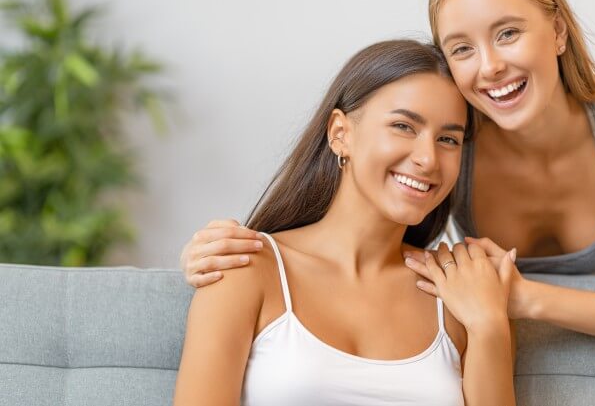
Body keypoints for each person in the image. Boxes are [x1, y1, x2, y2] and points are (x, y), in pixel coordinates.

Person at [180, 0, 595, 347]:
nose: (490, 67)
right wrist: (233, 253)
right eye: (462, 48)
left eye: (507, 33)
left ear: (557, 32)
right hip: (508, 347)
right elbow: (358, 224)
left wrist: (524, 297)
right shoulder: (452, 140)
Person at [173, 40, 516, 406]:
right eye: (403, 126)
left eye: (448, 139)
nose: (428, 159)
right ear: (340, 133)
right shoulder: (245, 267)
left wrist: (489, 326)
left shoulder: (456, 294)